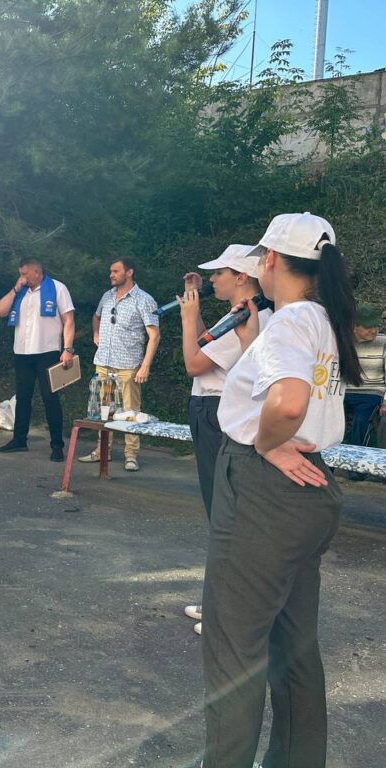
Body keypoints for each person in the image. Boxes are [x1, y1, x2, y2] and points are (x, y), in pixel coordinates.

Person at [202, 212, 361, 768]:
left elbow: (289, 403)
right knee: (294, 647)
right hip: (309, 489)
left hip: (263, 488)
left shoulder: (291, 321)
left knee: (233, 649)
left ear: (270, 259)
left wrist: (267, 444)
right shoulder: (324, 319)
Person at [177, 245, 272, 636]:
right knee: (222, 511)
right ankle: (220, 600)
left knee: (225, 512)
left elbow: (194, 363)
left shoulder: (247, 318)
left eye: (219, 273)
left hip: (218, 413)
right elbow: (205, 344)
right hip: (213, 410)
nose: (212, 279)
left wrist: (186, 319)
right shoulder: (239, 314)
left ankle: (228, 609)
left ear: (242, 277)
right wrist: (195, 307)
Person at [80, 258, 160, 471]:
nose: (111, 275)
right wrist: (96, 333)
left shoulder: (144, 300)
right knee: (104, 410)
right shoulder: (107, 296)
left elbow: (154, 335)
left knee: (130, 411)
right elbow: (96, 317)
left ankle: (131, 455)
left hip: (128, 366)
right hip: (104, 363)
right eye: (111, 271)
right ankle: (102, 451)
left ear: (129, 272)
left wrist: (145, 365)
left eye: (115, 271)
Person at [0, 257, 76, 461]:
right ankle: (19, 440)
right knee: (22, 398)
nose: (21, 277)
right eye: (20, 274)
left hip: (47, 351)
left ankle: (57, 445)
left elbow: (69, 320)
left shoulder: (57, 288)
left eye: (24, 274)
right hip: (22, 352)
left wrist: (68, 349)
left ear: (37, 272)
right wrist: (15, 288)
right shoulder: (20, 291)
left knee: (50, 398)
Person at [343, 303, 385, 456]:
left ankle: (357, 461)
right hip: (343, 391)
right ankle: (327, 460)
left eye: (375, 326)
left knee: (362, 419)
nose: (373, 330)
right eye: (368, 327)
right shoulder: (343, 342)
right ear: (354, 326)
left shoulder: (383, 342)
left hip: (372, 392)